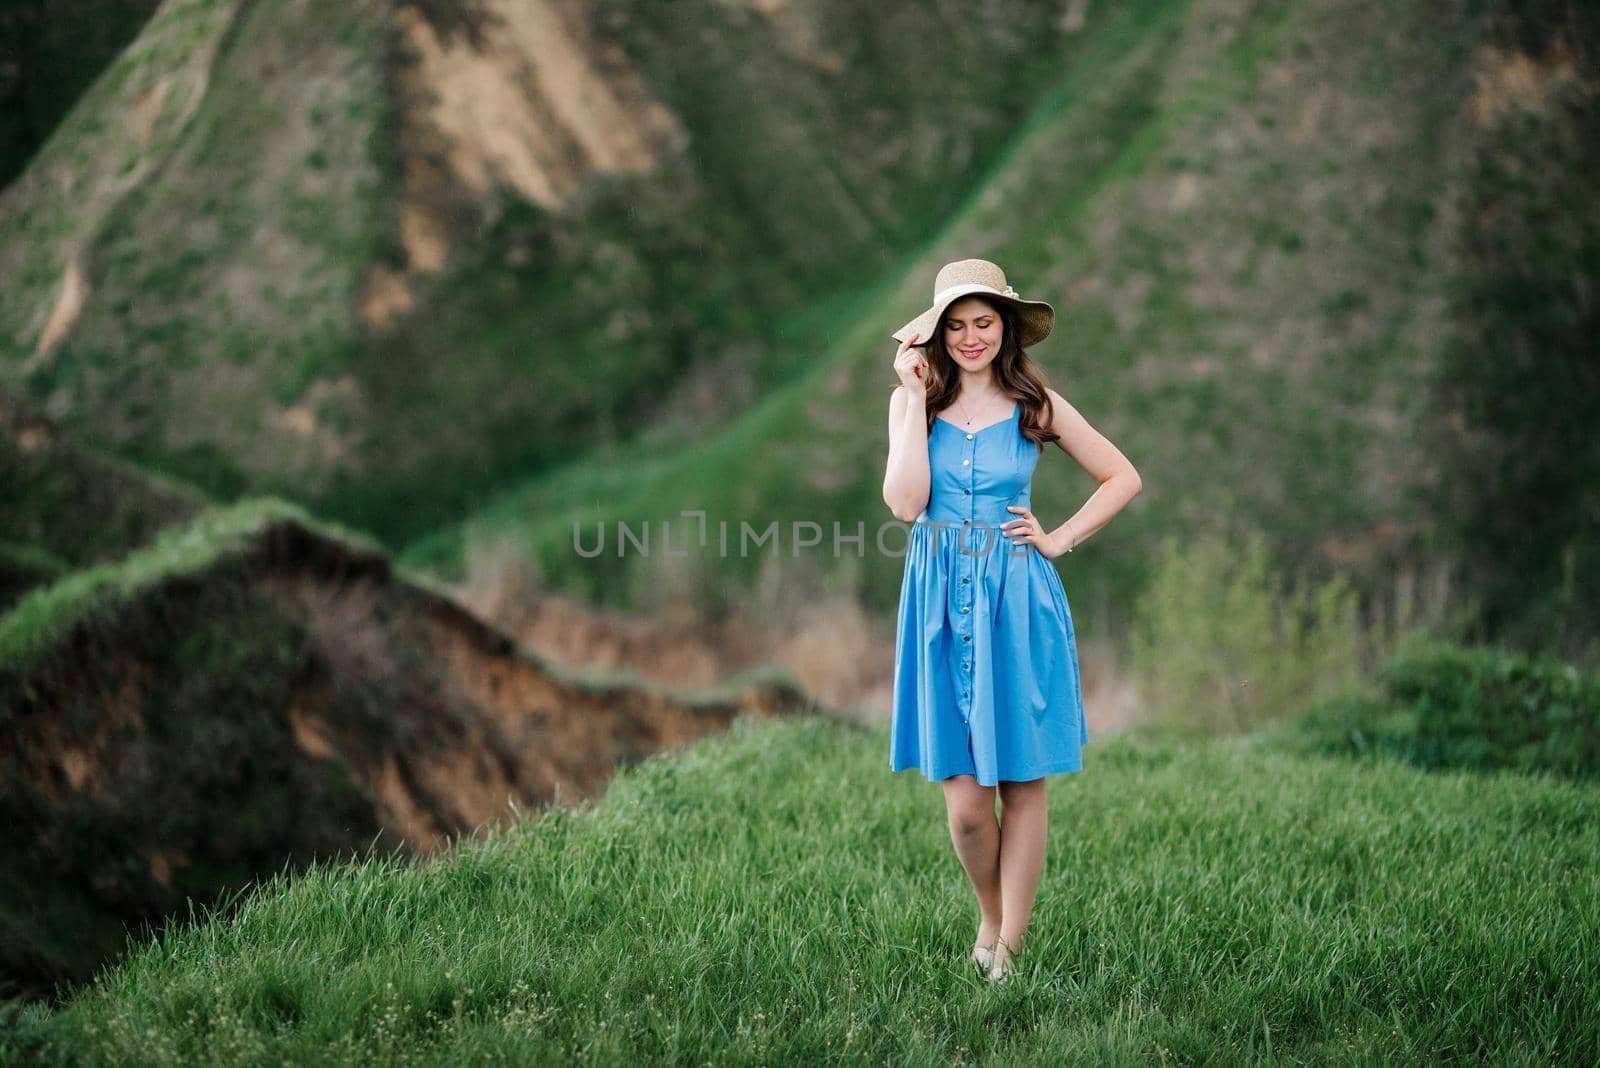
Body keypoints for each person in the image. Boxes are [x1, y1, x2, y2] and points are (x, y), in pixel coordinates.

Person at [881, 258, 1142, 983]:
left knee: (1022, 781)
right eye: (956, 325)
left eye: (984, 323)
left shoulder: (1036, 403)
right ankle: (989, 916)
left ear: (1005, 329)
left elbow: (1122, 476)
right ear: (935, 335)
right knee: (966, 803)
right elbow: (905, 505)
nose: (970, 338)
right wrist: (908, 397)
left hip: (1015, 597)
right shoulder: (917, 404)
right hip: (937, 599)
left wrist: (1059, 539)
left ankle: (1011, 948)